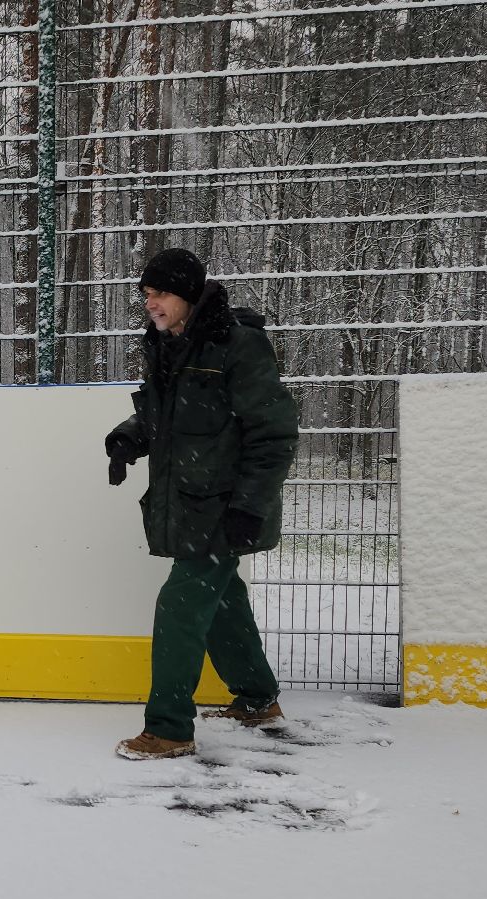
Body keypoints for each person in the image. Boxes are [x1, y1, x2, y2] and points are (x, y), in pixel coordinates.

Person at [104, 248, 299, 760]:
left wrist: (249, 506)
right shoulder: (168, 345)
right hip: (187, 503)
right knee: (222, 604)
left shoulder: (236, 346)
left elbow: (273, 433)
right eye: (146, 295)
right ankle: (256, 699)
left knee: (181, 606)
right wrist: (128, 439)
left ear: (188, 294)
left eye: (160, 293)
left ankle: (168, 729)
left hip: (225, 506)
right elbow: (157, 412)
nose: (151, 304)